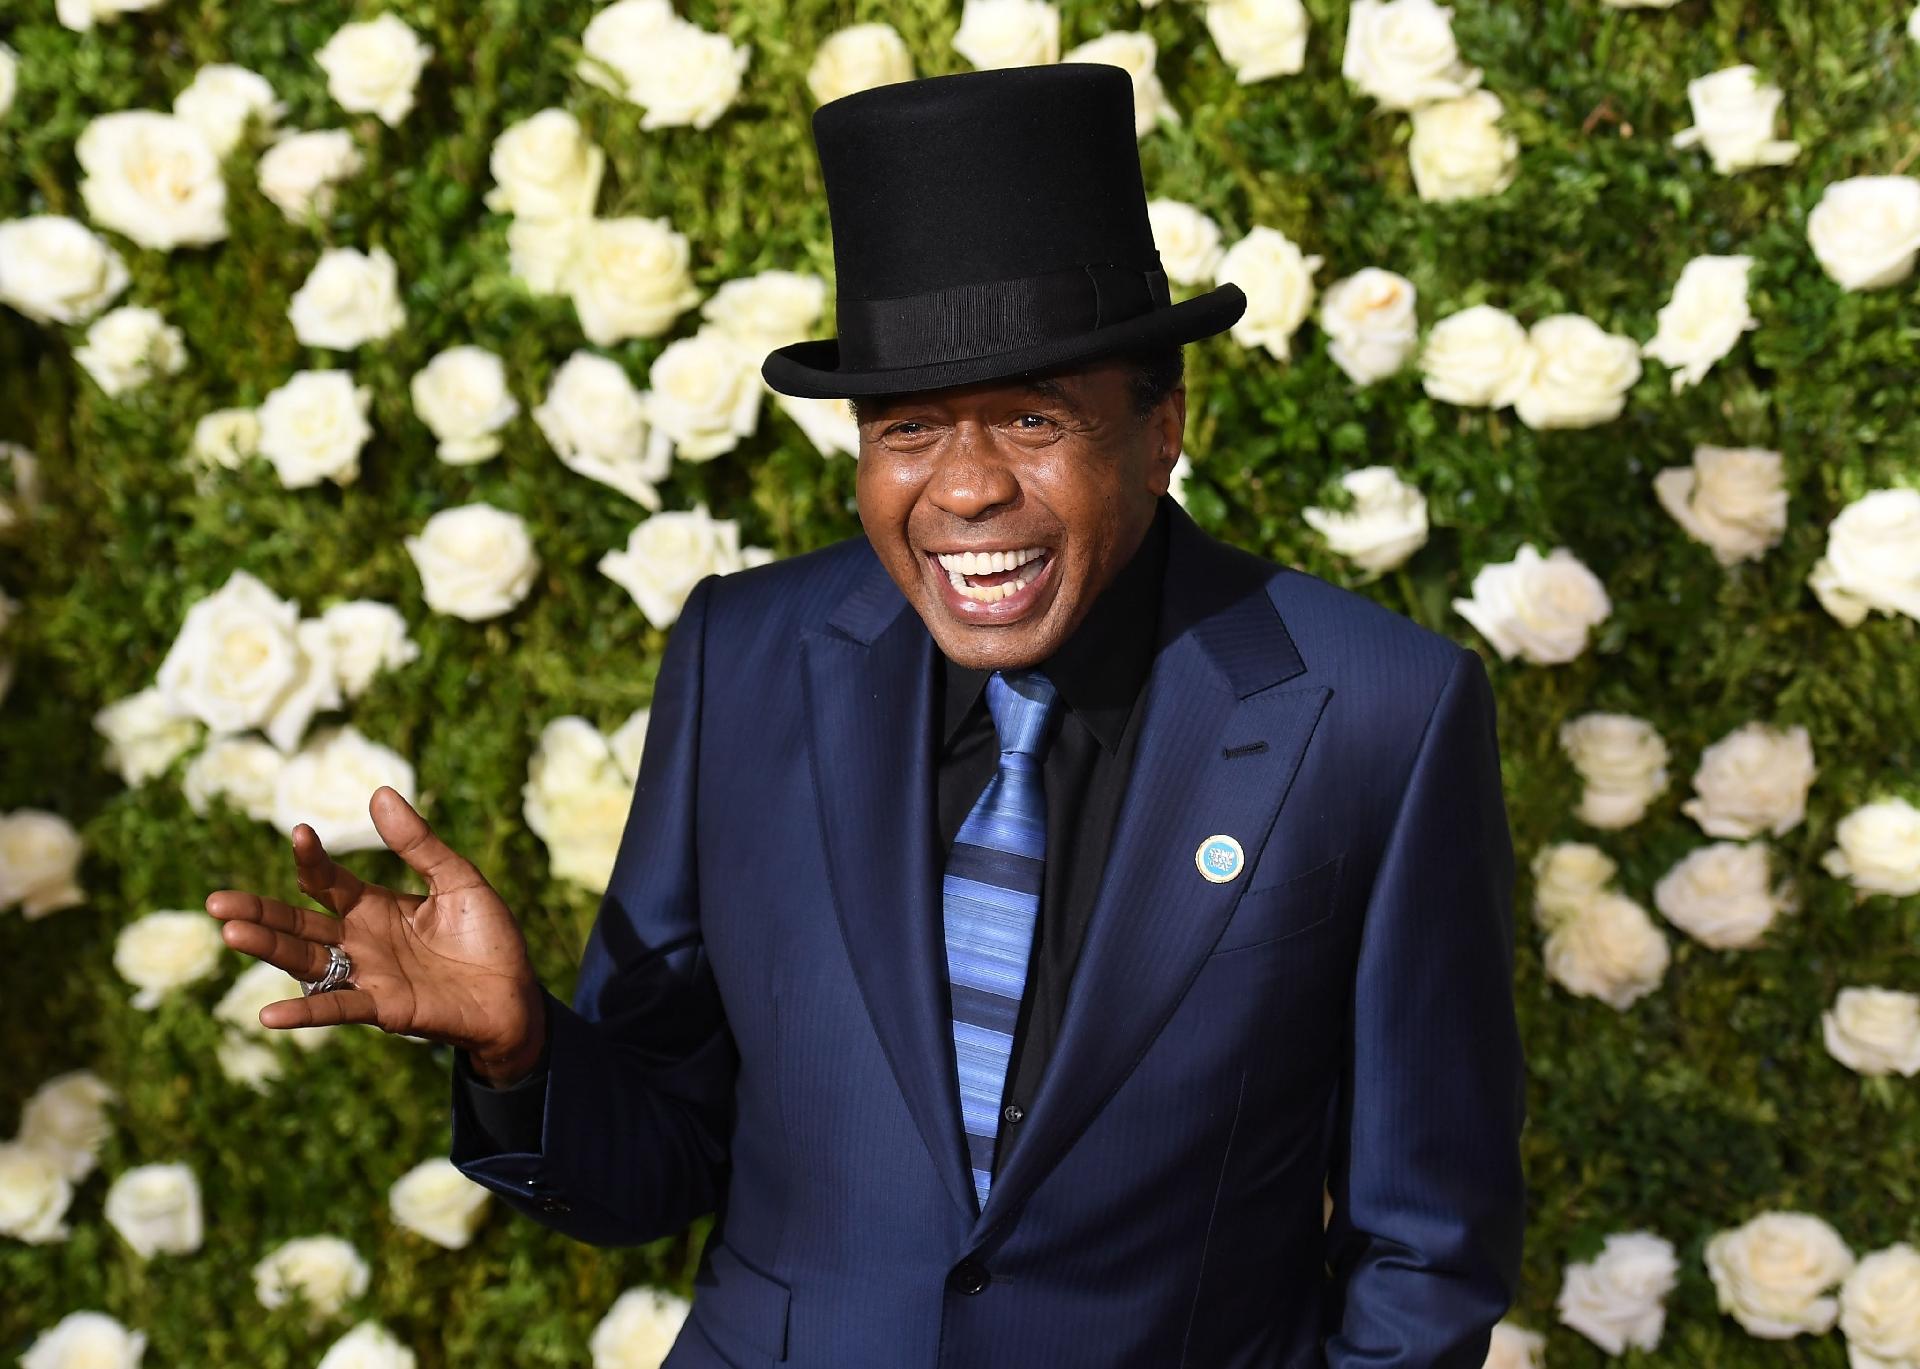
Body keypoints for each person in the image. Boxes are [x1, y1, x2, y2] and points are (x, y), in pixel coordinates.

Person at [205, 63, 1526, 1367]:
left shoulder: (1375, 712)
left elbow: (1428, 1242)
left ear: (1162, 425)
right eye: (906, 429)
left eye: (1030, 416)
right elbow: (658, 1161)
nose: (962, 489)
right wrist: (522, 1048)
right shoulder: (748, 657)